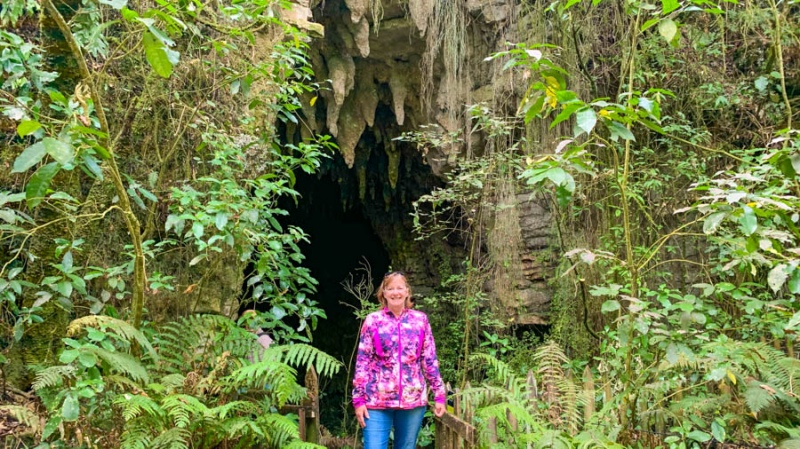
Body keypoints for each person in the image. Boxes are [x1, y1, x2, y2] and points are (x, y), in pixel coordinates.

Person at [352, 271, 447, 449]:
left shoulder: (420, 321)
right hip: (376, 400)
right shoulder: (373, 321)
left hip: (413, 400)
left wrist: (439, 394)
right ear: (384, 293)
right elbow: (362, 362)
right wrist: (359, 400)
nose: (395, 292)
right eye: (390, 288)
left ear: (407, 292)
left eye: (399, 288)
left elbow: (429, 360)